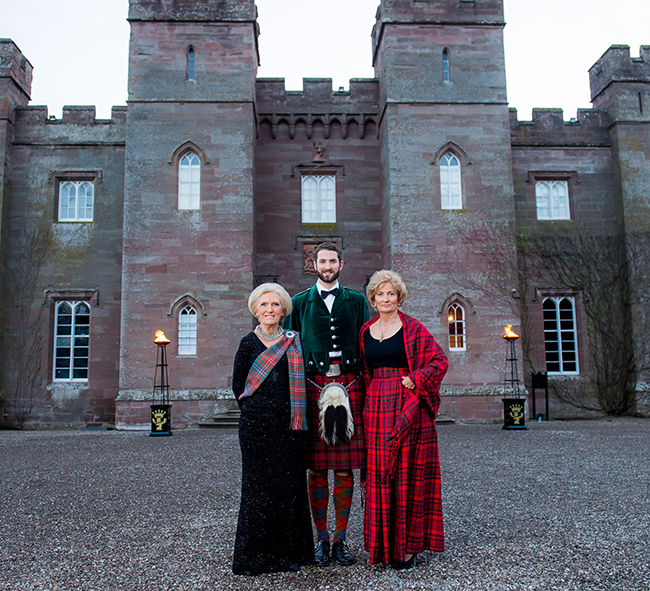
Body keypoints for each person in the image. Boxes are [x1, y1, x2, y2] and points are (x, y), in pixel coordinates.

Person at [283, 242, 369, 567]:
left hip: (350, 385)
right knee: (317, 470)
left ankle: (341, 539)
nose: (328, 265)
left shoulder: (358, 302)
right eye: (323, 261)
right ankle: (321, 539)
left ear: (341, 264)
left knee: (345, 469)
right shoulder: (298, 303)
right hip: (312, 388)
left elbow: (365, 343)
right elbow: (290, 349)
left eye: (333, 261)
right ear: (313, 264)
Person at [359, 270, 448, 569]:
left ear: (399, 297)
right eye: (380, 294)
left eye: (391, 294)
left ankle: (406, 548)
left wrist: (417, 378)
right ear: (373, 298)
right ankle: (381, 546)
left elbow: (439, 360)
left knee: (407, 473)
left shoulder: (413, 328)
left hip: (407, 405)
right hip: (375, 407)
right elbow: (365, 372)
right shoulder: (365, 331)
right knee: (379, 475)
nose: (385, 299)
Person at [231, 283, 313, 576]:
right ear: (255, 309)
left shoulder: (295, 341)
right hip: (255, 428)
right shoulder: (248, 344)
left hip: (291, 428)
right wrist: (259, 413)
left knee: (288, 489)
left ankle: (288, 555)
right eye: (264, 305)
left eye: (275, 305)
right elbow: (238, 387)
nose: (269, 310)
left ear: (283, 311)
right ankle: (254, 557)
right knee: (257, 490)